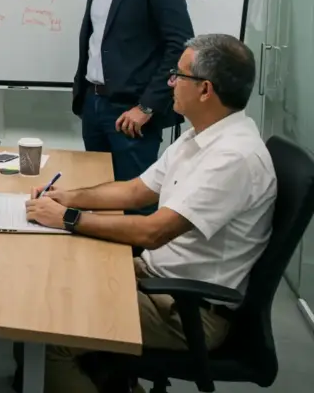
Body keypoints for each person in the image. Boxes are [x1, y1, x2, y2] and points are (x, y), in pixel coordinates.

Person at [26, 34, 276, 393]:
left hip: (188, 310)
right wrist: (66, 198)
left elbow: (153, 232)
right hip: (156, 278)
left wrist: (67, 219)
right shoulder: (199, 137)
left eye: (178, 75)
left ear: (205, 90)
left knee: (50, 334)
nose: (170, 82)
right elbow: (135, 190)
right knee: (54, 279)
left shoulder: (234, 158)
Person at [73, 0, 194, 214]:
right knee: (99, 200)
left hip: (132, 112)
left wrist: (148, 106)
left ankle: (137, 265)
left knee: (134, 205)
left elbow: (179, 46)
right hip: (94, 104)